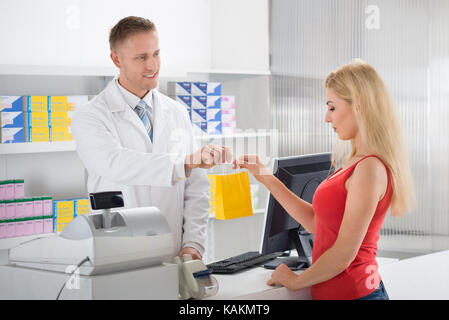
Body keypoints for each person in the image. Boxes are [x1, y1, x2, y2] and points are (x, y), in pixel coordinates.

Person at [234, 60, 416, 300]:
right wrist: (265, 177)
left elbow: (343, 254)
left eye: (332, 108)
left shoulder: (369, 168)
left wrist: (296, 280)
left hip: (357, 295)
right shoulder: (354, 163)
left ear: (359, 107)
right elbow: (314, 222)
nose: (326, 118)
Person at [71, 16, 232, 261]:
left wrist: (193, 244)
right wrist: (185, 163)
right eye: (141, 57)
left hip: (176, 254)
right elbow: (115, 163)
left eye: (156, 54)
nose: (152, 65)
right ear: (116, 59)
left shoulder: (176, 112)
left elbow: (196, 188)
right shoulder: (90, 116)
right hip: (121, 256)